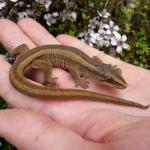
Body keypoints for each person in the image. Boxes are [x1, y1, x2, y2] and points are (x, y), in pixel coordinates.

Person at [0, 18, 150, 150]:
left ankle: (15, 55)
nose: (116, 84)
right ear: (100, 76)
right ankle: (47, 81)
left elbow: (96, 62)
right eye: (109, 79)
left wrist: (108, 70)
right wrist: (77, 79)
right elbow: (73, 67)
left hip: (27, 55)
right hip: (30, 62)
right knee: (46, 65)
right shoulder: (86, 66)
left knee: (25, 48)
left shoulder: (94, 64)